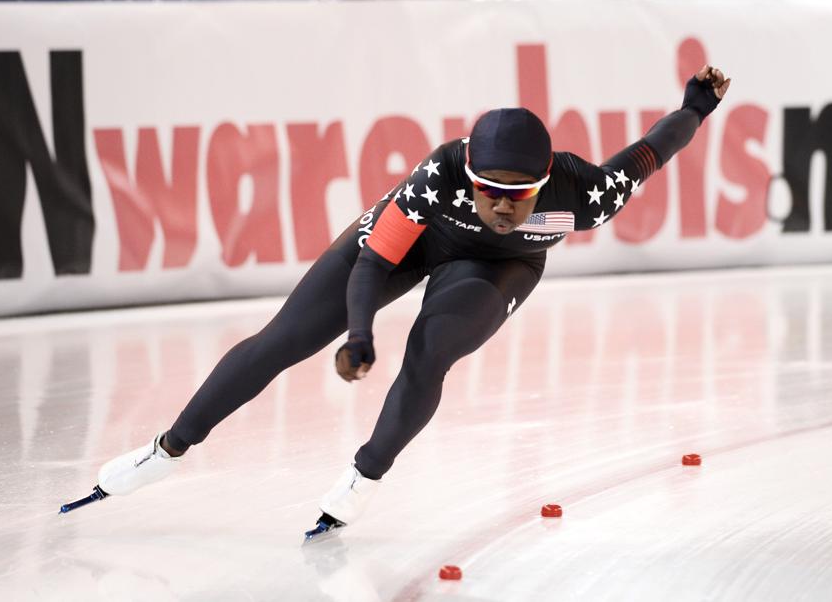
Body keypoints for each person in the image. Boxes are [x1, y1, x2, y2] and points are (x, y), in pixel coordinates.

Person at [79, 65, 731, 538]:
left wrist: (695, 108)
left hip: (496, 266)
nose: (504, 206)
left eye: (521, 194)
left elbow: (650, 152)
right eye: (490, 190)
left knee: (430, 350)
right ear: (468, 173)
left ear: (544, 183)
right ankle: (165, 450)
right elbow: (375, 260)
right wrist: (358, 335)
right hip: (413, 243)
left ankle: (363, 478)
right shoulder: (438, 173)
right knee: (283, 338)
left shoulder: (584, 193)